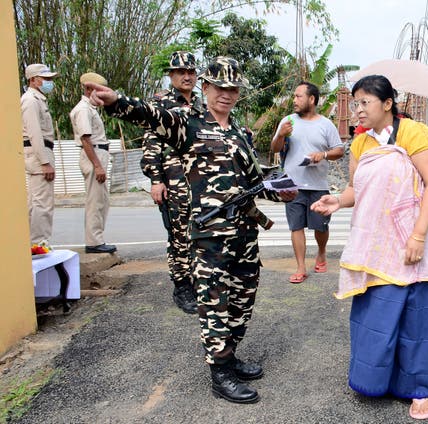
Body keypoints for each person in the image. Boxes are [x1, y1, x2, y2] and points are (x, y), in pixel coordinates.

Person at [86, 56, 296, 404]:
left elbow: (253, 179)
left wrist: (278, 191)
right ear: (206, 87)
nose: (226, 94)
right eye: (219, 87)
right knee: (215, 304)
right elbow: (152, 115)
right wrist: (116, 101)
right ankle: (220, 373)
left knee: (242, 302)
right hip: (211, 235)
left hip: (245, 234)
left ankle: (230, 354)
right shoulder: (189, 124)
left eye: (233, 89)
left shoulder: (240, 131)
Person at [311, 75, 428, 420]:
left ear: (388, 103)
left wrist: (418, 236)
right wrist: (337, 202)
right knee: (375, 317)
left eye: (364, 102)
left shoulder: (414, 133)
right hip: (377, 245)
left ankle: (418, 390)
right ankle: (376, 380)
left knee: (414, 319)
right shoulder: (360, 144)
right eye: (355, 102)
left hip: (411, 241)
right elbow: (356, 189)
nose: (357, 110)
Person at [140, 51, 201, 314]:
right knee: (178, 234)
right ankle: (182, 285)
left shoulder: (202, 103)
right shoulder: (160, 103)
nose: (187, 76)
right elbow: (151, 144)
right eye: (181, 72)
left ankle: (197, 280)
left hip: (200, 179)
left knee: (199, 232)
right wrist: (156, 180)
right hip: (173, 178)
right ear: (171, 75)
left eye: (191, 72)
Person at [271, 82, 344, 283]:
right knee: (296, 226)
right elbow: (275, 148)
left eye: (298, 96)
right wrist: (280, 135)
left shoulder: (325, 124)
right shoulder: (287, 121)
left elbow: (339, 151)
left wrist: (324, 154)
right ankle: (301, 267)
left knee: (320, 226)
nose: (294, 100)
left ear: (311, 99)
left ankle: (321, 252)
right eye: (293, 96)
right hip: (291, 186)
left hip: (318, 185)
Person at [69, 72, 117, 254]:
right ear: (89, 89)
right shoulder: (83, 110)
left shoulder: (90, 108)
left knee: (102, 200)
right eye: (98, 90)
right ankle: (94, 242)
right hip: (93, 154)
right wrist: (97, 165)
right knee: (95, 200)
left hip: (98, 153)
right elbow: (86, 140)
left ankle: (97, 239)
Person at [21, 63, 58, 245]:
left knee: (38, 201)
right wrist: (44, 161)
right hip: (38, 154)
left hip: (41, 152)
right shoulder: (30, 100)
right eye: (46, 79)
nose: (49, 82)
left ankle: (35, 242)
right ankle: (38, 243)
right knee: (41, 203)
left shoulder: (38, 99)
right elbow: (34, 132)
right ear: (34, 80)